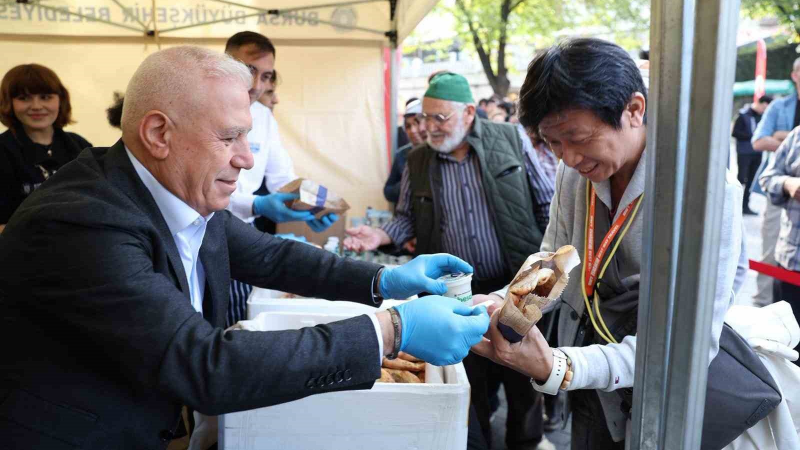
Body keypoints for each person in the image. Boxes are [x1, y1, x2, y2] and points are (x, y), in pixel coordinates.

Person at [0, 46, 491, 449]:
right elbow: (203, 363)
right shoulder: (81, 221)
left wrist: (382, 280)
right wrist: (391, 330)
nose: (246, 158)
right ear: (158, 133)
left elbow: (270, 255)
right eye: (229, 136)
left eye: (248, 136)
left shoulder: (179, 190)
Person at [471, 38, 742, 448]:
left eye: (577, 137)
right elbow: (554, 258)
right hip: (590, 376)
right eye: (552, 143)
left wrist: (561, 368)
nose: (567, 158)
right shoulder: (574, 171)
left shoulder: (701, 190)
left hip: (660, 394)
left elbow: (689, 343)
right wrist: (504, 304)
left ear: (634, 109)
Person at [345, 72, 555, 450]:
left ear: (470, 112)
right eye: (425, 118)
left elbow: (547, 204)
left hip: (516, 283)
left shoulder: (510, 139)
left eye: (439, 118)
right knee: (470, 376)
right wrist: (380, 235)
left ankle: (526, 441)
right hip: (455, 292)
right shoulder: (417, 159)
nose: (429, 127)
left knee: (523, 374)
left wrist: (546, 270)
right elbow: (406, 215)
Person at [224, 31, 339, 326]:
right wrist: (257, 204)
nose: (257, 85)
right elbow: (198, 189)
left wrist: (314, 205)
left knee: (239, 320)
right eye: (250, 71)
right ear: (226, 62)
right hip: (204, 232)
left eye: (266, 76)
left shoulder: (263, 118)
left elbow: (283, 179)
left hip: (242, 238)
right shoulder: (203, 109)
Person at [0, 63, 91, 233]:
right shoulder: (3, 151)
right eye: (24, 98)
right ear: (9, 102)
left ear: (60, 100)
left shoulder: (81, 147)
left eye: (45, 97)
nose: (36, 106)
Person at [751, 58, 800, 306]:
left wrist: (778, 137)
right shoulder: (780, 107)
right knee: (771, 251)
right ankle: (763, 305)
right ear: (795, 75)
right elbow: (758, 142)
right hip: (780, 194)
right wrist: (788, 141)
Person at [759, 126, 800, 361]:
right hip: (791, 261)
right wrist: (787, 184)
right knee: (786, 348)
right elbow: (767, 177)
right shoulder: (796, 137)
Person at [733, 95, 772, 215]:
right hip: (744, 152)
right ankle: (736, 205)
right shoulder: (744, 115)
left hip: (757, 153)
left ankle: (745, 206)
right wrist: (753, 138)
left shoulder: (763, 117)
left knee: (751, 180)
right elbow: (735, 133)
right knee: (741, 178)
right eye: (766, 107)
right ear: (762, 103)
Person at [384, 98, 427, 203]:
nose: (412, 130)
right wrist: (406, 184)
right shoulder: (402, 155)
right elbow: (388, 191)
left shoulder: (439, 152)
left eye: (416, 124)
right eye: (408, 126)